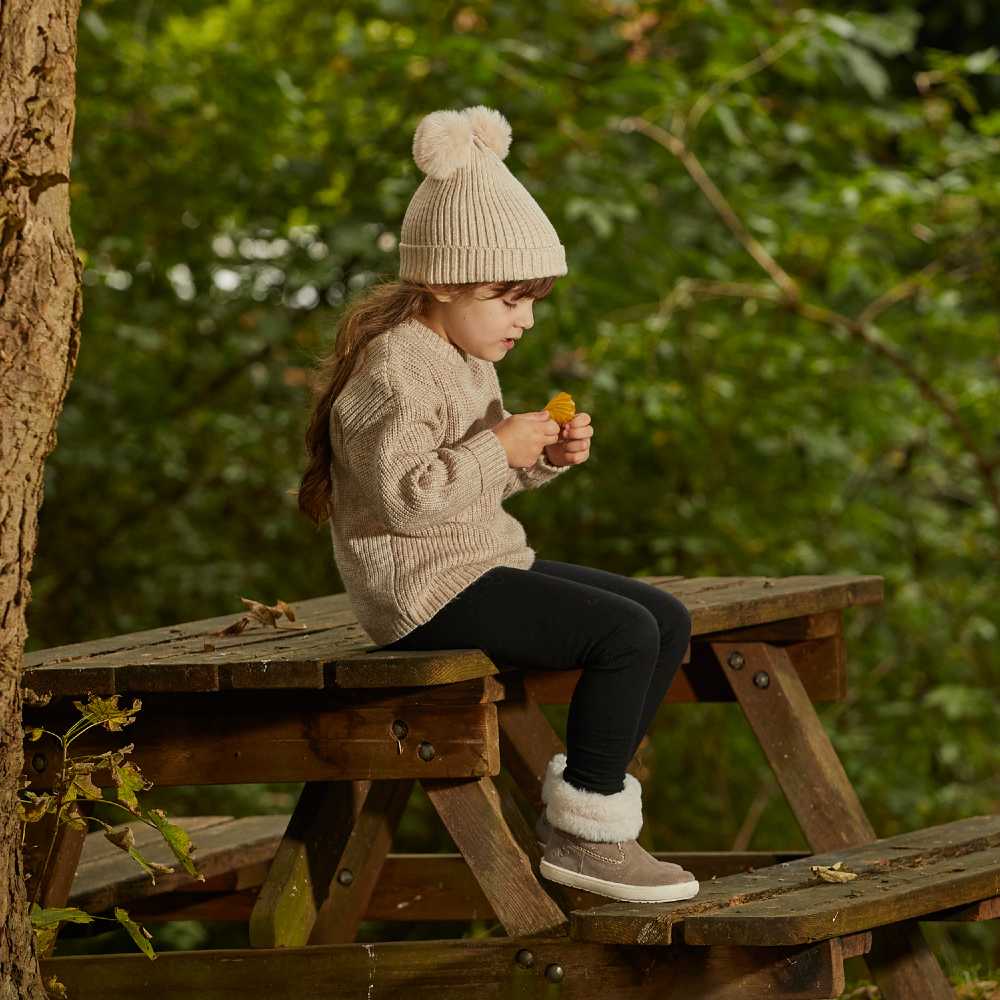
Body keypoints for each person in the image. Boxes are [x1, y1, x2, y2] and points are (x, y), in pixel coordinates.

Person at [297, 105, 697, 904]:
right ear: (442, 282)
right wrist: (497, 448)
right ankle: (587, 838)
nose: (527, 317)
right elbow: (411, 502)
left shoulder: (463, 351)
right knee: (623, 634)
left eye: (533, 298)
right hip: (420, 591)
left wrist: (536, 458)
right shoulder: (395, 368)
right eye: (509, 297)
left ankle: (588, 799)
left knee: (666, 619)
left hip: (479, 561)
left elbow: (470, 480)